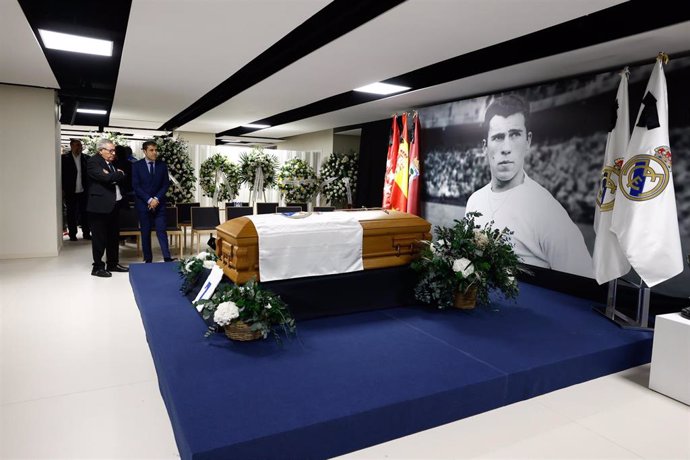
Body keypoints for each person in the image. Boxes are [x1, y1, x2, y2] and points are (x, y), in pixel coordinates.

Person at [465, 94, 593, 278]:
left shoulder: (547, 210)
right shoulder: (474, 201)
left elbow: (583, 283)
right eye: (498, 137)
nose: (506, 148)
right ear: (485, 146)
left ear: (528, 141)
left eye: (515, 135)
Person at [86, 139, 129, 277]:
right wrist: (117, 175)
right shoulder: (94, 162)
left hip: (114, 205)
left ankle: (113, 263)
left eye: (114, 150)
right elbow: (107, 179)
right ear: (101, 151)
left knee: (113, 237)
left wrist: (114, 175)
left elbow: (119, 177)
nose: (113, 153)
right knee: (99, 238)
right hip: (99, 207)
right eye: (110, 150)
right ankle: (97, 267)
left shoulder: (110, 163)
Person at [132, 140, 175, 263]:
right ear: (144, 151)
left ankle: (167, 257)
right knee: (145, 232)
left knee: (162, 230)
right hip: (143, 204)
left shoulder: (162, 165)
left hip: (159, 204)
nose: (155, 152)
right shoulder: (137, 166)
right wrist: (149, 199)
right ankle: (148, 259)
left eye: (156, 150)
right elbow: (136, 186)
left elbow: (165, 184)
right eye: (151, 150)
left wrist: (156, 199)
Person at [61, 139, 91, 241]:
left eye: (80, 145)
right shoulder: (64, 159)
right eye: (77, 145)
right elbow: (61, 175)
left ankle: (86, 233)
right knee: (71, 213)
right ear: (72, 146)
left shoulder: (86, 158)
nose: (79, 147)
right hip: (70, 190)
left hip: (83, 190)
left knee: (85, 213)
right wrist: (62, 189)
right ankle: (72, 234)